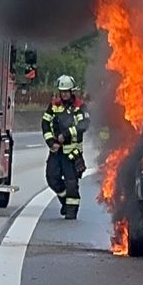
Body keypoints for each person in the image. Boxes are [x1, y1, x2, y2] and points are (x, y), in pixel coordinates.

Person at [41, 75, 90, 219]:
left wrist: (66, 134)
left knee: (71, 183)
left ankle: (71, 212)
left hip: (72, 153)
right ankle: (64, 201)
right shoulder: (54, 105)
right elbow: (45, 124)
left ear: (72, 91)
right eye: (62, 92)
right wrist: (51, 142)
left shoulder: (79, 107)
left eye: (67, 91)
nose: (64, 94)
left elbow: (83, 125)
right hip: (57, 152)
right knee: (52, 178)